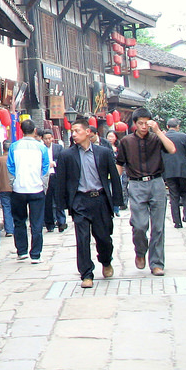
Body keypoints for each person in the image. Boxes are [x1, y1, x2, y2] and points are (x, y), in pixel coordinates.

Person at [57, 121, 123, 289]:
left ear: (88, 132)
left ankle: (106, 261)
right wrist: (61, 206)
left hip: (100, 199)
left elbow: (114, 178)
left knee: (103, 238)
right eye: (72, 131)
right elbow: (61, 182)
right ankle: (86, 274)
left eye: (77, 131)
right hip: (79, 201)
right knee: (82, 239)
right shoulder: (67, 155)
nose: (74, 134)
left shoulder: (104, 153)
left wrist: (117, 201)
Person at [115, 107, 176, 276]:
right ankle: (140, 251)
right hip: (136, 185)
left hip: (156, 183)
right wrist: (113, 185)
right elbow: (119, 163)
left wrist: (158, 131)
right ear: (134, 124)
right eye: (140, 123)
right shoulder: (126, 141)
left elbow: (172, 149)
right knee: (140, 225)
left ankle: (157, 263)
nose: (143, 126)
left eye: (146, 123)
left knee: (158, 227)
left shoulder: (157, 139)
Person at [7, 118, 50, 263]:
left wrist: (13, 184)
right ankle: (36, 254)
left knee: (19, 221)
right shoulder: (42, 147)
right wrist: (43, 185)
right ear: (35, 131)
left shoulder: (14, 147)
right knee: (36, 223)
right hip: (36, 189)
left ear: (21, 130)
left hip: (19, 189)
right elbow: (45, 169)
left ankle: (22, 251)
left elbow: (10, 167)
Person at [163, 118, 186, 228]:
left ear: (167, 126)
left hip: (168, 171)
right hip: (183, 170)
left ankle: (177, 222)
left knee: (174, 196)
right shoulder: (183, 137)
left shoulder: (163, 138)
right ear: (178, 127)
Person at [42, 128, 67, 232]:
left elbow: (62, 160)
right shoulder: (41, 148)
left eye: (49, 138)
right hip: (45, 177)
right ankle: (49, 223)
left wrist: (54, 163)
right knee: (47, 202)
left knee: (59, 199)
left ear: (52, 138)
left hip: (56, 176)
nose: (48, 140)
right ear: (42, 139)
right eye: (45, 139)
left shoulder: (58, 148)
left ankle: (61, 222)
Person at [0, 142, 15, 237]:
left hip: (3, 188)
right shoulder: (14, 159)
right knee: (15, 207)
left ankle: (9, 229)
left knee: (6, 208)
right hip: (15, 187)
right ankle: (16, 226)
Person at [105, 130, 122, 215]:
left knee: (117, 188)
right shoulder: (104, 146)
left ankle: (116, 208)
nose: (110, 138)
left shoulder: (119, 147)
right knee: (108, 189)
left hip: (117, 170)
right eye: (109, 136)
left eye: (112, 136)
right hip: (107, 171)